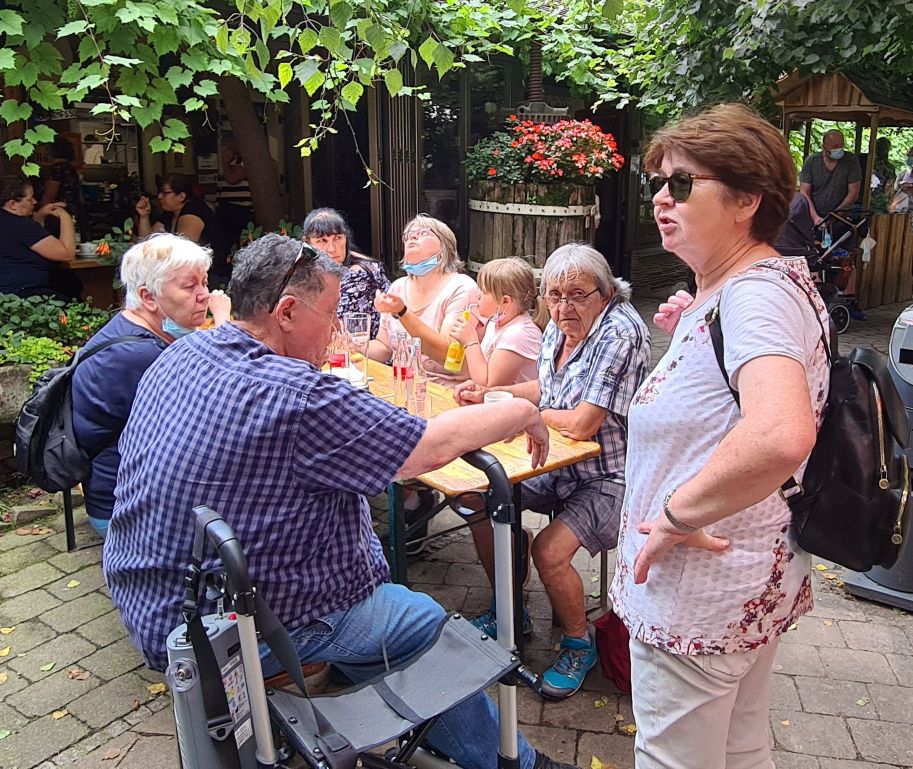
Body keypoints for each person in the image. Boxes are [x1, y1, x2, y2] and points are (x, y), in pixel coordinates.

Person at [103, 233, 575, 769]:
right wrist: (522, 412)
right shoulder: (297, 394)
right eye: (329, 315)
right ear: (286, 311)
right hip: (229, 630)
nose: (334, 330)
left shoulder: (182, 352)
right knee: (423, 622)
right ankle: (514, 762)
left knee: (369, 589)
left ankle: (379, 708)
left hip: (154, 599)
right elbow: (427, 449)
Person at [612, 103, 830, 769]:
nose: (660, 197)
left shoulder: (753, 296)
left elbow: (779, 433)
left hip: (698, 596)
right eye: (656, 181)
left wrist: (677, 514)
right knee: (739, 751)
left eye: (682, 182)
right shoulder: (740, 289)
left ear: (746, 200)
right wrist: (696, 319)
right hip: (744, 583)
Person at [454, 243, 650, 701]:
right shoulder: (561, 328)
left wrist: (522, 415)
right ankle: (511, 608)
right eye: (554, 296)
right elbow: (546, 388)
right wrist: (494, 394)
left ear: (605, 293)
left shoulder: (619, 332)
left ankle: (579, 644)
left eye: (577, 295)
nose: (563, 307)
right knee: (473, 495)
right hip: (558, 462)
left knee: (550, 550)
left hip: (610, 476)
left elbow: (582, 423)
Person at [72, 233, 231, 538]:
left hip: (116, 489)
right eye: (190, 286)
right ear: (148, 297)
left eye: (204, 282)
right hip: (124, 510)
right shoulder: (139, 355)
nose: (205, 296)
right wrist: (223, 323)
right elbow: (223, 403)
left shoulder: (130, 326)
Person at [369, 214, 482, 388]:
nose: (412, 237)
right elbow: (383, 348)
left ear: (444, 247)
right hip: (402, 385)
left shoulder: (461, 287)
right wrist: (348, 340)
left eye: (423, 233)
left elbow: (447, 355)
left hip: (447, 391)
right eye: (408, 235)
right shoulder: (398, 287)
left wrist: (402, 312)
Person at [449, 257, 547, 386]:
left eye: (484, 291)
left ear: (505, 301)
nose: (477, 295)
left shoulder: (519, 334)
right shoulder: (495, 323)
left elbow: (489, 385)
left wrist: (470, 341)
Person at [302, 207, 390, 338]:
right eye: (322, 241)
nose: (332, 249)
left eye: (337, 238)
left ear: (345, 238)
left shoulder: (358, 274)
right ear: (307, 243)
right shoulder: (305, 270)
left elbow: (340, 332)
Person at [135, 174, 231, 286]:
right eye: (160, 192)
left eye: (165, 193)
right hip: (186, 274)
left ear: (182, 196)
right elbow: (146, 243)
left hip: (210, 276)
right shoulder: (169, 213)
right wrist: (144, 216)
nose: (160, 196)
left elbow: (181, 253)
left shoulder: (194, 210)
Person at [0, 176, 79, 299]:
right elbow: (67, 254)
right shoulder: (21, 224)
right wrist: (65, 216)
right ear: (13, 204)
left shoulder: (6, 221)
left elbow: (31, 242)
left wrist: (39, 217)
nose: (35, 202)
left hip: (6, 294)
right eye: (30, 199)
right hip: (25, 294)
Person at [799, 129, 862, 226]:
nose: (839, 149)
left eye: (841, 145)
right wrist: (815, 218)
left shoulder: (851, 161)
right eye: (835, 147)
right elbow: (804, 192)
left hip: (841, 218)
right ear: (824, 147)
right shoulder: (811, 162)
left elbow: (853, 193)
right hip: (813, 217)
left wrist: (835, 216)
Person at [215, 133, 254, 250]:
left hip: (240, 208)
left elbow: (232, 178)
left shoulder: (243, 160)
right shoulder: (229, 161)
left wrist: (225, 162)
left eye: (228, 145)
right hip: (225, 206)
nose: (225, 149)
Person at [38, 136, 82, 228]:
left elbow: (50, 195)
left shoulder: (56, 169)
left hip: (58, 212)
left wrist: (40, 213)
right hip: (73, 209)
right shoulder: (70, 168)